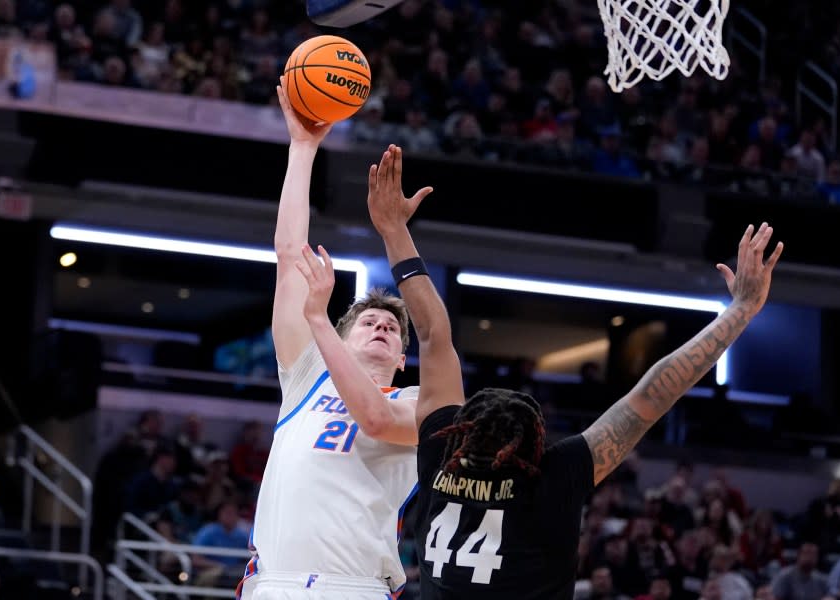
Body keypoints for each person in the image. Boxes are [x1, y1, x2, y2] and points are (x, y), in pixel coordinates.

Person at [360, 144, 783, 598]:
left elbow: (432, 334)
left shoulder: (440, 450)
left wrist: (393, 231)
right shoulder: (552, 478)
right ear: (535, 442)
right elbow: (652, 396)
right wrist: (739, 311)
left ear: (460, 429)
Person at [237, 78, 424, 599]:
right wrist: (303, 147)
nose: (383, 326)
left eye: (393, 328)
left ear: (404, 359)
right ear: (341, 338)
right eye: (369, 321)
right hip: (272, 584)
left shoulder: (416, 402)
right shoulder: (305, 377)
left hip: (354, 587)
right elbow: (289, 254)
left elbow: (378, 420)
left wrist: (321, 319)